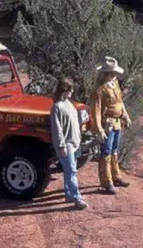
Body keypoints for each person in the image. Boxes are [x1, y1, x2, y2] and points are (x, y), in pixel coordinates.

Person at [89, 56, 132, 195]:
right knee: (106, 152)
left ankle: (116, 176)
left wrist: (126, 116)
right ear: (106, 73)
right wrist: (99, 129)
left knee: (114, 150)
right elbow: (95, 110)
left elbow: (120, 102)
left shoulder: (115, 84)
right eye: (112, 73)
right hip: (107, 124)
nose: (114, 75)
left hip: (117, 122)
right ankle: (107, 182)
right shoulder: (99, 89)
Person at [49, 77, 88, 210]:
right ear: (65, 90)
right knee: (71, 170)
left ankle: (69, 194)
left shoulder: (69, 104)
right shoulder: (56, 107)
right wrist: (61, 146)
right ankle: (77, 197)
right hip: (66, 145)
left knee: (69, 170)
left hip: (74, 142)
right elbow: (57, 129)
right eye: (70, 89)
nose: (72, 92)